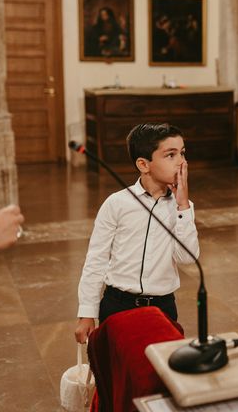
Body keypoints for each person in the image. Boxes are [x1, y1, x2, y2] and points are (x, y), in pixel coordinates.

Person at [75, 123, 200, 344]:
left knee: (156, 373)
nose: (182, 162)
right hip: (118, 305)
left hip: (162, 307)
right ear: (144, 164)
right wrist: (87, 312)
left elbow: (188, 258)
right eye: (171, 155)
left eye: (182, 153)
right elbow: (96, 259)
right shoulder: (117, 203)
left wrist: (182, 206)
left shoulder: (182, 208)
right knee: (117, 371)